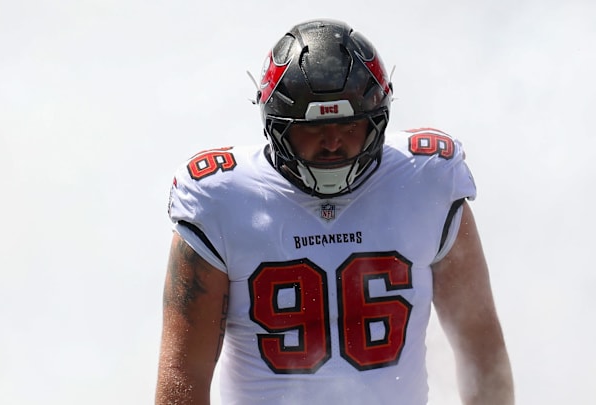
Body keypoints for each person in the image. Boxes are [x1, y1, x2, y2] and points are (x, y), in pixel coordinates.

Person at [155, 19, 514, 405]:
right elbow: (184, 372)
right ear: (276, 125)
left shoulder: (427, 180)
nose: (331, 143)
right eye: (312, 128)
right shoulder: (220, 199)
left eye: (349, 125)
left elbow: (479, 344)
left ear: (377, 118)